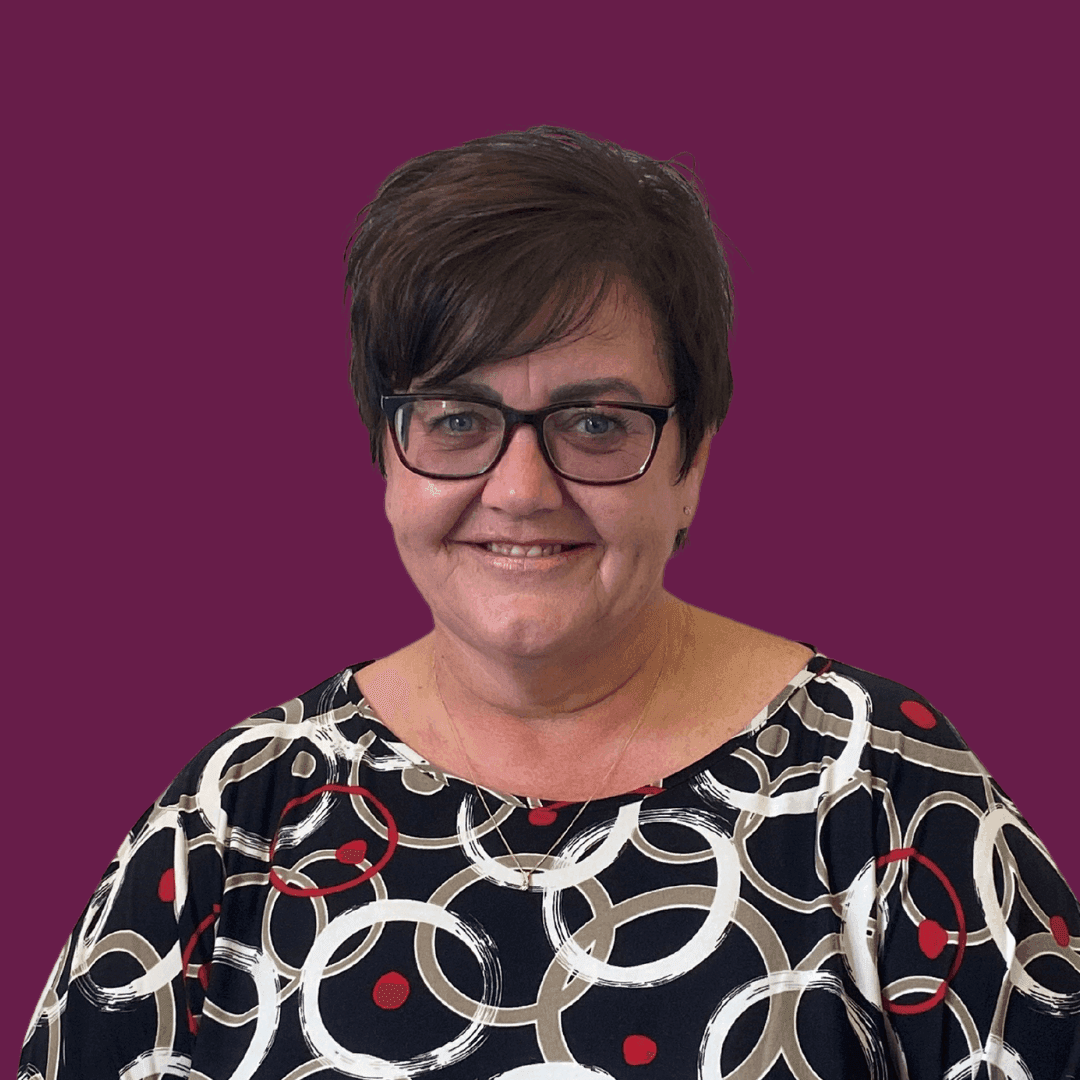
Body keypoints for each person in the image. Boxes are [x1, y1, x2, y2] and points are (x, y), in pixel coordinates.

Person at [21, 126, 1080, 1079]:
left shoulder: (886, 791)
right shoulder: (240, 810)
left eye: (598, 424)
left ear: (692, 464)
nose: (521, 491)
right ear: (387, 457)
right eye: (455, 419)